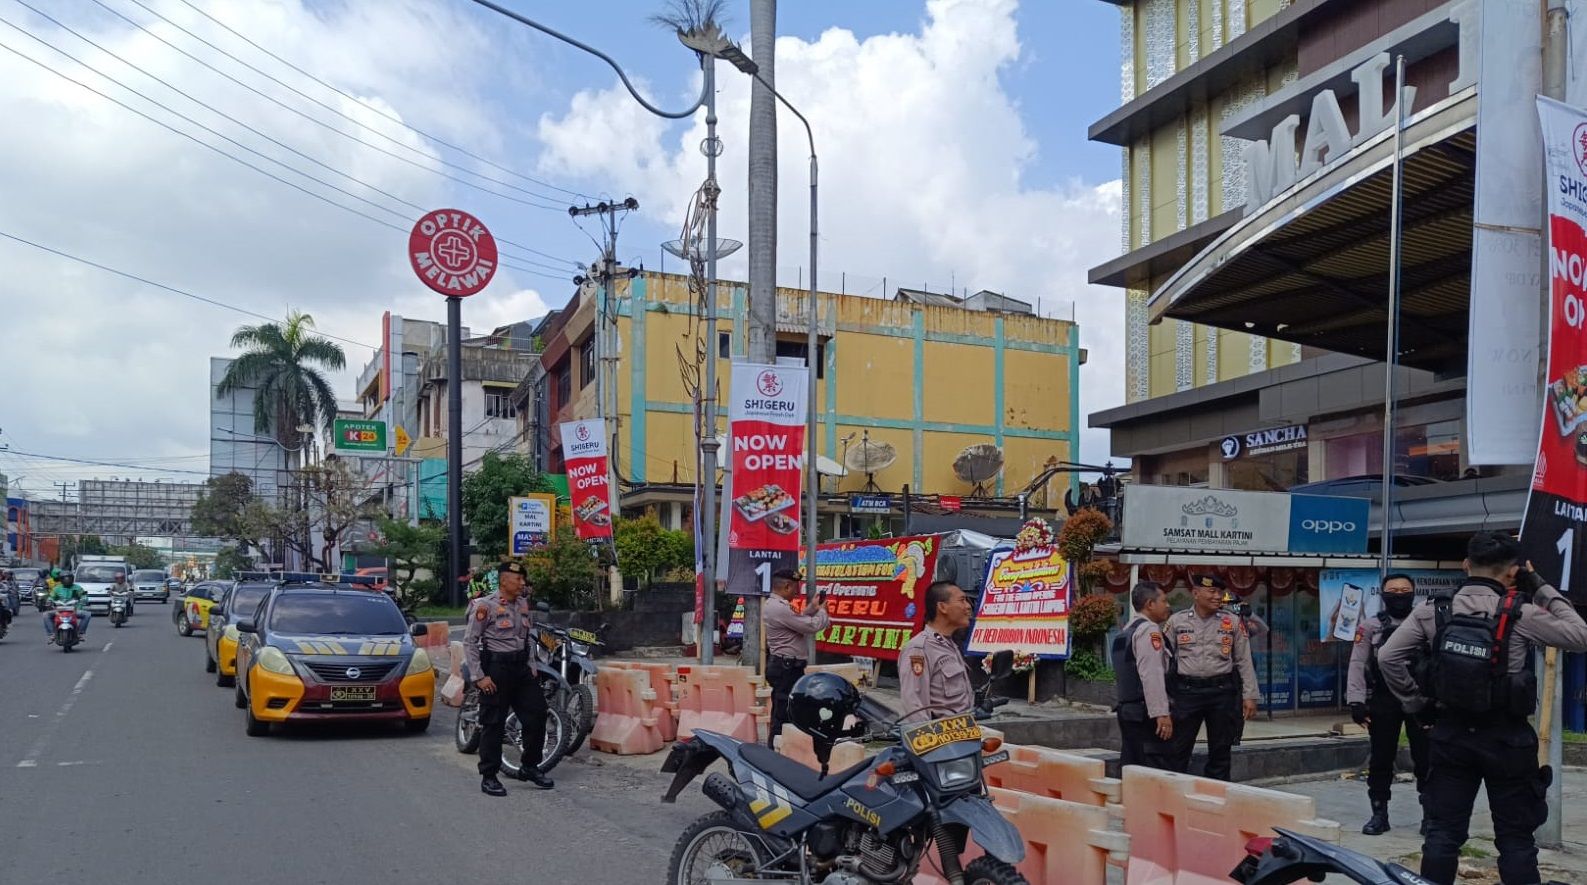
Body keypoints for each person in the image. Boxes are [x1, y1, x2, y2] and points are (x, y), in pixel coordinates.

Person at [1379, 531, 1587, 885]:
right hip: (1507, 741)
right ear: (1512, 572)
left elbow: (1388, 658)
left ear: (1465, 565)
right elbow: (1579, 635)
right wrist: (1539, 585)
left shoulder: (1433, 609)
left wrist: (1418, 705)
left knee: (1442, 835)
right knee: (1516, 841)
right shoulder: (1522, 612)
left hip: (1450, 737)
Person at [1346, 573, 1429, 837]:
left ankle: (1431, 815)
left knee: (1426, 758)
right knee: (1381, 759)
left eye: (1405, 590)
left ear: (1414, 593)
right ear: (1383, 594)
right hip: (1384, 699)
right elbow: (1357, 663)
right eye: (1393, 590)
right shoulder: (1371, 626)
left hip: (1421, 700)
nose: (1399, 595)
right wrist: (1356, 700)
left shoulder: (1427, 622)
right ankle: (1379, 814)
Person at [463, 560, 552, 796]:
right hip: (496, 669)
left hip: (521, 670)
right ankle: (489, 776)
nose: (523, 583)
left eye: (523, 579)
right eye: (518, 579)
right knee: (493, 722)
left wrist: (531, 664)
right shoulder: (485, 606)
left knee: (537, 714)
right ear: (504, 581)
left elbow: (527, 637)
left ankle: (529, 766)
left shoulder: (522, 603)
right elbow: (470, 642)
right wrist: (479, 677)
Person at [1165, 574, 1258, 779]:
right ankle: (1174, 794)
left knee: (1221, 749)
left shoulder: (1231, 621)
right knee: (1178, 748)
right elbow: (1164, 660)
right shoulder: (1177, 621)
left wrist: (1250, 695)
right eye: (1212, 592)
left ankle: (1218, 794)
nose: (1218, 597)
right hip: (1187, 692)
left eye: (1220, 592)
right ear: (1196, 593)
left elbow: (1244, 659)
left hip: (1221, 692)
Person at [762, 569, 831, 748]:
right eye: (795, 588)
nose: (797, 592)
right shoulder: (779, 608)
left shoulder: (775, 605)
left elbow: (797, 622)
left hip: (784, 665)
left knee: (783, 708)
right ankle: (776, 750)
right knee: (785, 712)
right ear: (786, 586)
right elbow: (810, 626)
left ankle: (779, 747)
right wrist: (823, 612)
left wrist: (813, 608)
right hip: (787, 668)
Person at [1113, 581, 1175, 769]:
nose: (1168, 605)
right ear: (1150, 604)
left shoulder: (1125, 632)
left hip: (1127, 709)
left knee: (1132, 765)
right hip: (1145, 713)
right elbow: (1152, 674)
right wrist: (1161, 713)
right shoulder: (1149, 631)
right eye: (1164, 601)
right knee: (1153, 767)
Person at [898, 581, 975, 721]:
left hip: (963, 735)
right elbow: (914, 706)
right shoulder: (919, 649)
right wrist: (929, 740)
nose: (968, 606)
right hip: (943, 739)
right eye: (962, 600)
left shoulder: (949, 645)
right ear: (942, 607)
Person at [42, 571, 89, 641]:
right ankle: (52, 634)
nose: (67, 580)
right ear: (61, 579)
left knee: (87, 614)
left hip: (74, 609)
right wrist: (49, 601)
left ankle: (80, 633)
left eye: (69, 578)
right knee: (46, 615)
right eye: (65, 578)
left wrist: (84, 599)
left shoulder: (77, 588)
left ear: (72, 579)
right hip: (59, 609)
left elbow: (83, 595)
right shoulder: (57, 588)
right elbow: (51, 596)